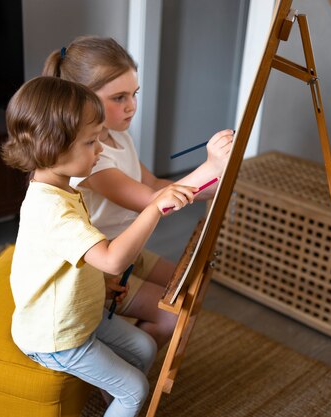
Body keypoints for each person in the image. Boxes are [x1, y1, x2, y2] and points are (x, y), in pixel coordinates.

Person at [1, 76, 197, 417]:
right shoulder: (51, 209)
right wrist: (153, 208)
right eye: (91, 142)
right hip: (56, 336)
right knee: (136, 391)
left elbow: (75, 259)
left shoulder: (62, 190)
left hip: (80, 315)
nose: (101, 149)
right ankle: (122, 401)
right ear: (53, 148)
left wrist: (100, 285)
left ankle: (113, 403)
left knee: (143, 347)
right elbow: (112, 259)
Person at [42, 36, 234, 349]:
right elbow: (154, 201)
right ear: (83, 101)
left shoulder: (120, 137)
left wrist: (211, 187)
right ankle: (119, 365)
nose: (131, 105)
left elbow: (155, 185)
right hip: (97, 267)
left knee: (188, 284)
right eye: (119, 97)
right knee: (172, 314)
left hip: (129, 249)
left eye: (134, 94)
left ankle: (126, 342)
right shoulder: (92, 160)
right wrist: (211, 166)